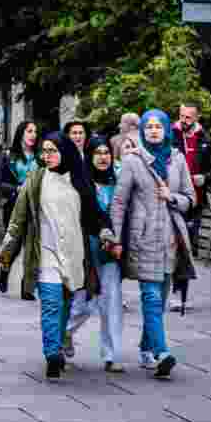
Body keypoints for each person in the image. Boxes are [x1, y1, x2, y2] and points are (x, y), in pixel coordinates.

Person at [0, 132, 107, 379]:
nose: (46, 156)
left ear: (64, 151)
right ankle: (52, 354)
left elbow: (94, 213)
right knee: (50, 303)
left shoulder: (79, 178)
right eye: (43, 151)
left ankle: (57, 343)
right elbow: (18, 218)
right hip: (44, 251)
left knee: (66, 304)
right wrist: (7, 253)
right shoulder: (36, 178)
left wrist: (105, 231)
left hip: (73, 254)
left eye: (52, 151)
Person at [109, 109, 196, 378]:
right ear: (143, 131)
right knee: (150, 295)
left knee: (159, 297)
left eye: (158, 126)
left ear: (167, 130)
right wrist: (115, 237)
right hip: (143, 236)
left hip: (171, 237)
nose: (154, 131)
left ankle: (147, 349)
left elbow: (190, 198)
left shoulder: (177, 159)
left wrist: (172, 197)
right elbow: (119, 202)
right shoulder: (133, 161)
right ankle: (162, 352)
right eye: (149, 127)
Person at [80, 135, 125, 372]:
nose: (102, 157)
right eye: (97, 152)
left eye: (106, 151)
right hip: (85, 249)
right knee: (82, 302)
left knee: (112, 300)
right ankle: (60, 339)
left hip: (110, 251)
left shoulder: (118, 180)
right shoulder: (81, 182)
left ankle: (113, 353)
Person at [170, 102, 211, 312]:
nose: (183, 121)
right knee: (174, 245)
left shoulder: (206, 140)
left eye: (188, 117)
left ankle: (180, 292)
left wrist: (204, 177)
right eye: (181, 116)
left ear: (196, 117)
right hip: (171, 199)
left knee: (186, 247)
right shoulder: (169, 134)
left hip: (194, 201)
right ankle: (170, 289)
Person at [0, 120, 39, 300]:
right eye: (29, 131)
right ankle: (4, 269)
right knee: (12, 245)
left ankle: (27, 288)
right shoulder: (8, 155)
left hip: (35, 208)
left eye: (35, 132)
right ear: (21, 133)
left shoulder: (41, 157)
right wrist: (16, 189)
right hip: (14, 206)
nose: (33, 135)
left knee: (32, 248)